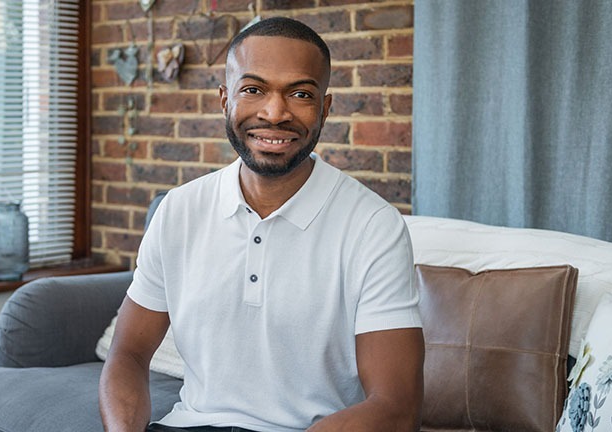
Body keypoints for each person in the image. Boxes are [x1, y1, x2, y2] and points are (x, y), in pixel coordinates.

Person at [99, 17, 424, 432]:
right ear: (224, 100)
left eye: (300, 94)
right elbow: (127, 353)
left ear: (324, 109)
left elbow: (398, 407)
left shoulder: (374, 227)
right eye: (253, 90)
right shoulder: (179, 210)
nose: (275, 113)